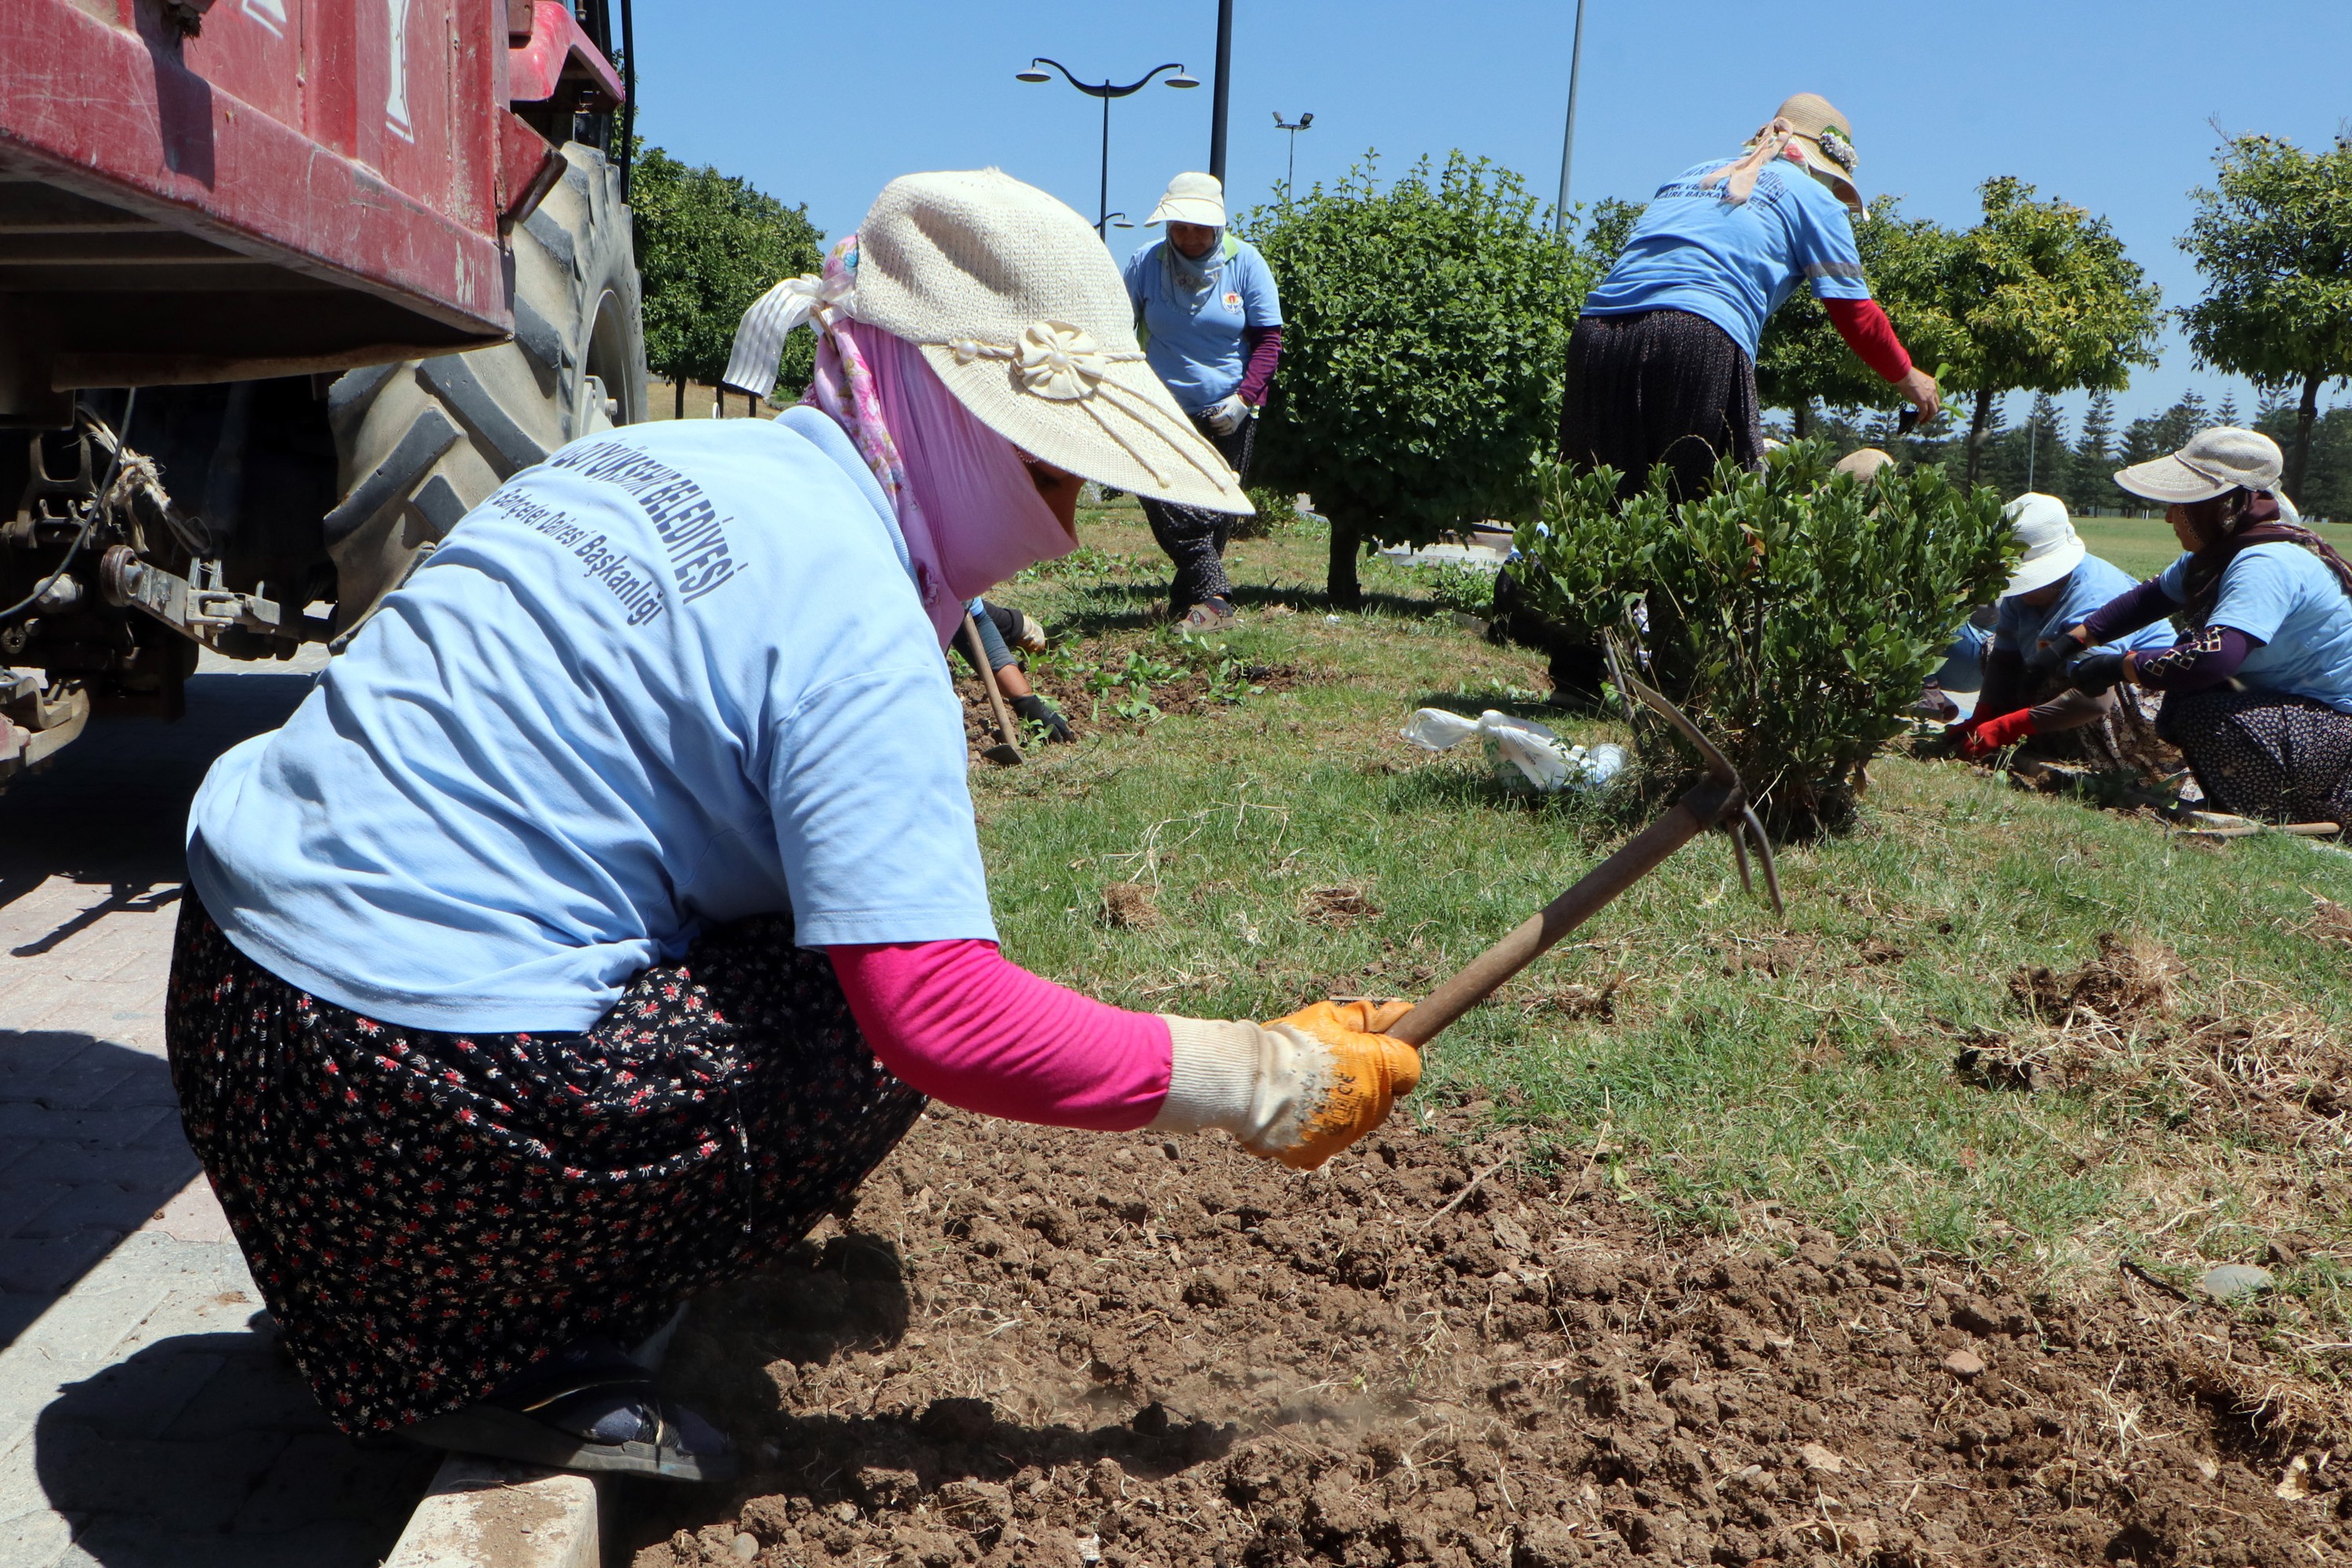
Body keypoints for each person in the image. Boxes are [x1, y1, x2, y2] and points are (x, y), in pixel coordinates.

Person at [165, 171, 1418, 1483]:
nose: (1068, 509)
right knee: (851, 1031)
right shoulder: (859, 610)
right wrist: (1262, 1079)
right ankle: (487, 1348)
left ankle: (374, 1295)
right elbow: (941, 1016)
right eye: (1052, 451)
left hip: (236, 1019)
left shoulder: (657, 455)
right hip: (405, 1104)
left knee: (799, 935)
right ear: (950, 406)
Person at [1564, 94, 1940, 504]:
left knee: (1592, 506)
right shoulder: (1817, 200)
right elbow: (1856, 315)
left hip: (1597, 334)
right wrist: (1908, 376)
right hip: (1696, 333)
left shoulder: (1693, 173)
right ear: (1825, 170)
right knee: (1707, 515)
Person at [2050, 426, 2352, 825]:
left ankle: (2270, 817)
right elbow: (2150, 598)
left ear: (2224, 506)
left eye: (2184, 505)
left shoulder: (2265, 562)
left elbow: (2214, 659)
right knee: (2185, 700)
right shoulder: (2218, 555)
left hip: (2335, 731)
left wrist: (2119, 665)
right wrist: (2074, 640)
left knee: (2200, 709)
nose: (2169, 516)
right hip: (2303, 717)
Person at [1123, 172, 1283, 628]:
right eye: (1180, 227)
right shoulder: (1145, 263)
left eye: (1199, 227)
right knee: (1162, 494)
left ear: (1218, 227)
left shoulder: (1246, 263)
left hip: (1229, 411)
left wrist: (1244, 400)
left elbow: (1269, 341)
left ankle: (1192, 606)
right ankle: (1215, 599)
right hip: (1162, 408)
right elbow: (1120, 330)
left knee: (1215, 510)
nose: (1189, 237)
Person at [1947, 495, 2175, 760]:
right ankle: (2043, 741)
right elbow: (2003, 659)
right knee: (1992, 647)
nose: (2021, 592)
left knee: (2075, 670)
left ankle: (2107, 763)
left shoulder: (2093, 596)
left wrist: (2006, 728)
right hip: (2082, 688)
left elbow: (2095, 699)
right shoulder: (2020, 601)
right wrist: (1985, 714)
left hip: (2141, 697)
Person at [958, 596, 1072, 742]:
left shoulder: (950, 580)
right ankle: (1014, 625)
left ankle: (1014, 625)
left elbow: (977, 622)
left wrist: (1025, 701)